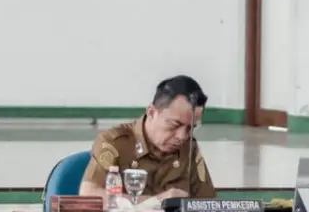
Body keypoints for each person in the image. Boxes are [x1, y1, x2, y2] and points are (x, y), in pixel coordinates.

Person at [79, 75, 217, 201]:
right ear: (151, 112)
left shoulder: (189, 148)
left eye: (190, 128)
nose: (182, 136)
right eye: (174, 125)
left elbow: (208, 204)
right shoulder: (115, 142)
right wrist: (157, 202)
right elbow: (89, 195)